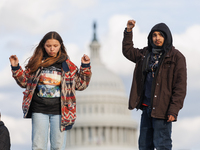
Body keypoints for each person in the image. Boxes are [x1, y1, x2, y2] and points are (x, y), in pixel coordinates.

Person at [9, 31, 92, 150]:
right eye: (48, 46)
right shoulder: (36, 62)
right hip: (39, 109)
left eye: (55, 46)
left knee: (58, 146)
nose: (52, 49)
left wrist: (85, 66)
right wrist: (16, 67)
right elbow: (24, 82)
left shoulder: (68, 65)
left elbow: (81, 85)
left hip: (61, 111)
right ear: (43, 45)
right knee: (38, 146)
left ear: (60, 46)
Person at [122, 20, 187, 150]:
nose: (157, 38)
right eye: (154, 35)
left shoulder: (176, 57)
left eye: (161, 35)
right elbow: (128, 51)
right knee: (144, 146)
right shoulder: (145, 54)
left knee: (162, 145)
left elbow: (180, 87)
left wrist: (174, 110)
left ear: (167, 37)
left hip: (163, 110)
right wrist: (128, 31)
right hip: (146, 109)